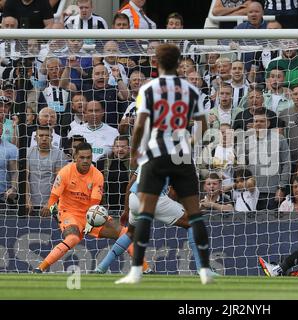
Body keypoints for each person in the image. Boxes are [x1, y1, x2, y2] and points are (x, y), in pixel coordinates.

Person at [115, 44, 214, 285]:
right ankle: (205, 271)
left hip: (156, 153)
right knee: (195, 214)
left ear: (157, 63)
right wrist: (190, 141)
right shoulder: (190, 89)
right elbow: (205, 123)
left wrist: (136, 150)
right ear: (179, 63)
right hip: (181, 155)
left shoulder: (150, 88)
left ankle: (136, 271)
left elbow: (139, 126)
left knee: (146, 214)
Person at [33, 142, 150, 273]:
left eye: (88, 157)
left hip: (91, 214)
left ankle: (145, 269)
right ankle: (40, 268)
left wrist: (89, 223)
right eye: (82, 157)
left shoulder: (97, 175)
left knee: (125, 232)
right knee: (73, 238)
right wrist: (50, 208)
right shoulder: (65, 172)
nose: (85, 161)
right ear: (75, 157)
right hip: (69, 213)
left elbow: (94, 204)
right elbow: (54, 197)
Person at [94, 168, 205, 274]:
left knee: (131, 233)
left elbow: (130, 184)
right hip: (153, 198)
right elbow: (174, 192)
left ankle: (102, 266)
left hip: (134, 198)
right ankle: (202, 269)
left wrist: (126, 210)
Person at [26, 125, 69, 215]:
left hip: (53, 205)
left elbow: (59, 181)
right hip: (30, 204)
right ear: (35, 138)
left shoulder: (60, 155)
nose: (44, 138)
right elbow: (24, 178)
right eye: (41, 136)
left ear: (52, 138)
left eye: (47, 136)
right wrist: (27, 200)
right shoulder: (28, 153)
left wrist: (50, 203)